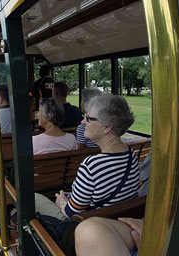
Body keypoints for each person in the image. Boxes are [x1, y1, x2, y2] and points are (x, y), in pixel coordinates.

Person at [36, 92, 139, 221]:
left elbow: (71, 213)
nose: (82, 121)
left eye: (88, 118)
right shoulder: (130, 154)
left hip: (86, 225)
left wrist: (63, 203)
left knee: (34, 198)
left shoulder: (91, 165)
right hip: (113, 220)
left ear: (106, 127)